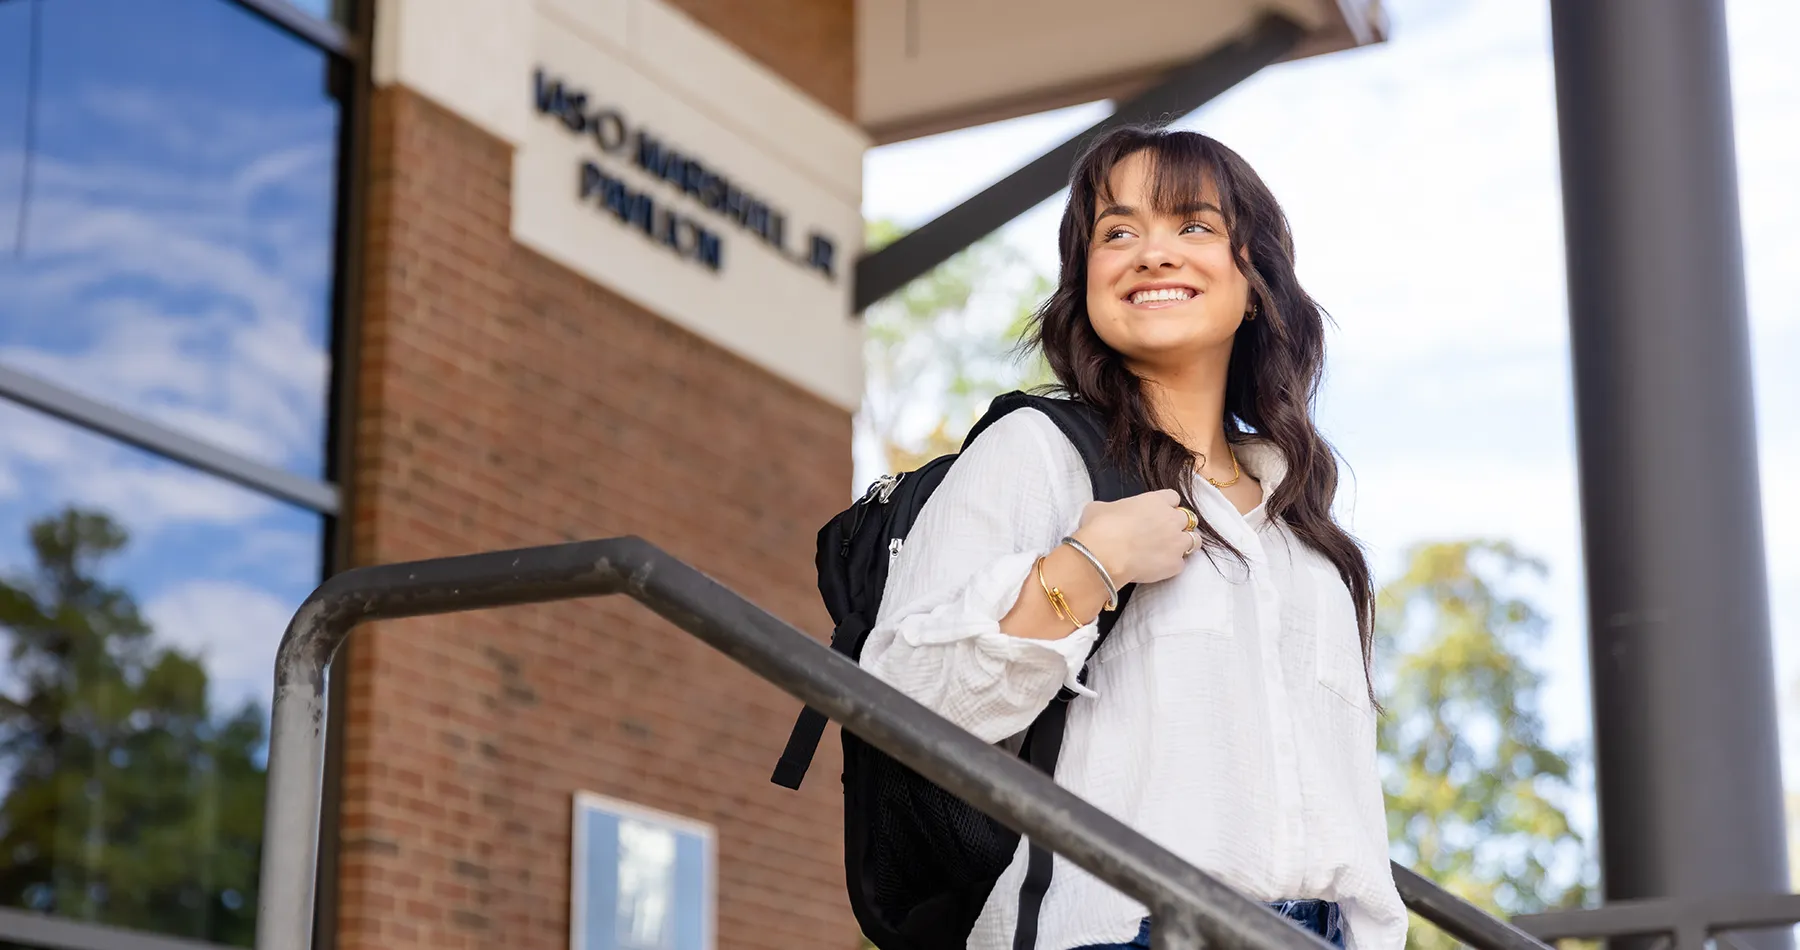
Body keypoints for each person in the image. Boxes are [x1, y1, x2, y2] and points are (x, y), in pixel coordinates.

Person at [858, 125, 1406, 950]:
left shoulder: (1306, 531)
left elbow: (1349, 803)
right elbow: (900, 701)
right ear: (1086, 282)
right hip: (1118, 933)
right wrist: (1088, 567)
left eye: (1192, 225)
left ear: (1253, 280)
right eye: (1117, 232)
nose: (1153, 254)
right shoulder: (1039, 450)